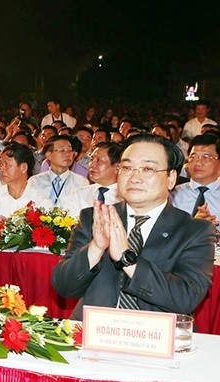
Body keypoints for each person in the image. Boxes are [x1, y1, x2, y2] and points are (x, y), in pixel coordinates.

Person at [52, 134, 216, 320]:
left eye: (148, 169)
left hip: (155, 339)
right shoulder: (95, 218)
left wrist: (127, 259)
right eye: (127, 167)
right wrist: (95, 248)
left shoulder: (194, 231)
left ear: (171, 178)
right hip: (92, 335)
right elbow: (64, 286)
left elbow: (186, 297)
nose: (134, 177)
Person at [0, 143, 51, 227]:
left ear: (23, 167)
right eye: (1, 164)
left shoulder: (41, 202)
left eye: (7, 165)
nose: (2, 169)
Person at [59, 142, 123, 217]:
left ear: (117, 167)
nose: (91, 165)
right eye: (92, 159)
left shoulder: (127, 198)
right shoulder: (78, 195)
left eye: (99, 160)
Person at [171, 133, 220, 223]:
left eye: (206, 157)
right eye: (193, 156)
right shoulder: (173, 194)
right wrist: (193, 228)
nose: (198, 162)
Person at [30, 135, 89, 205]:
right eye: (62, 150)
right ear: (49, 155)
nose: (67, 154)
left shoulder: (81, 182)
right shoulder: (35, 182)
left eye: (70, 150)